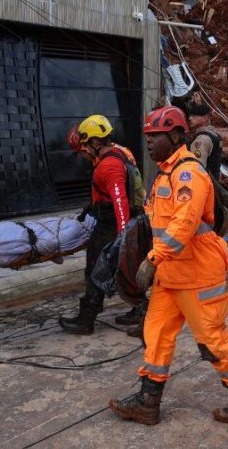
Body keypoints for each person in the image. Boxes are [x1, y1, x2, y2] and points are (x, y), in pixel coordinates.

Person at [109, 106, 228, 426]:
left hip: (197, 273)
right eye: (148, 137)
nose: (149, 142)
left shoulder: (188, 174)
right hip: (170, 274)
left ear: (177, 136)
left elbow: (183, 223)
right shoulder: (163, 173)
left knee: (211, 337)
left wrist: (152, 260)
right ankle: (147, 402)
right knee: (156, 335)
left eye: (156, 137)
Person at [60, 114, 145, 335]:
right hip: (126, 220)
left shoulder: (109, 167)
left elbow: (120, 201)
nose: (83, 154)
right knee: (127, 270)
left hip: (111, 225)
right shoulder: (121, 152)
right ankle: (139, 310)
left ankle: (85, 321)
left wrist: (123, 236)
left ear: (95, 142)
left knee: (96, 269)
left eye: (84, 147)